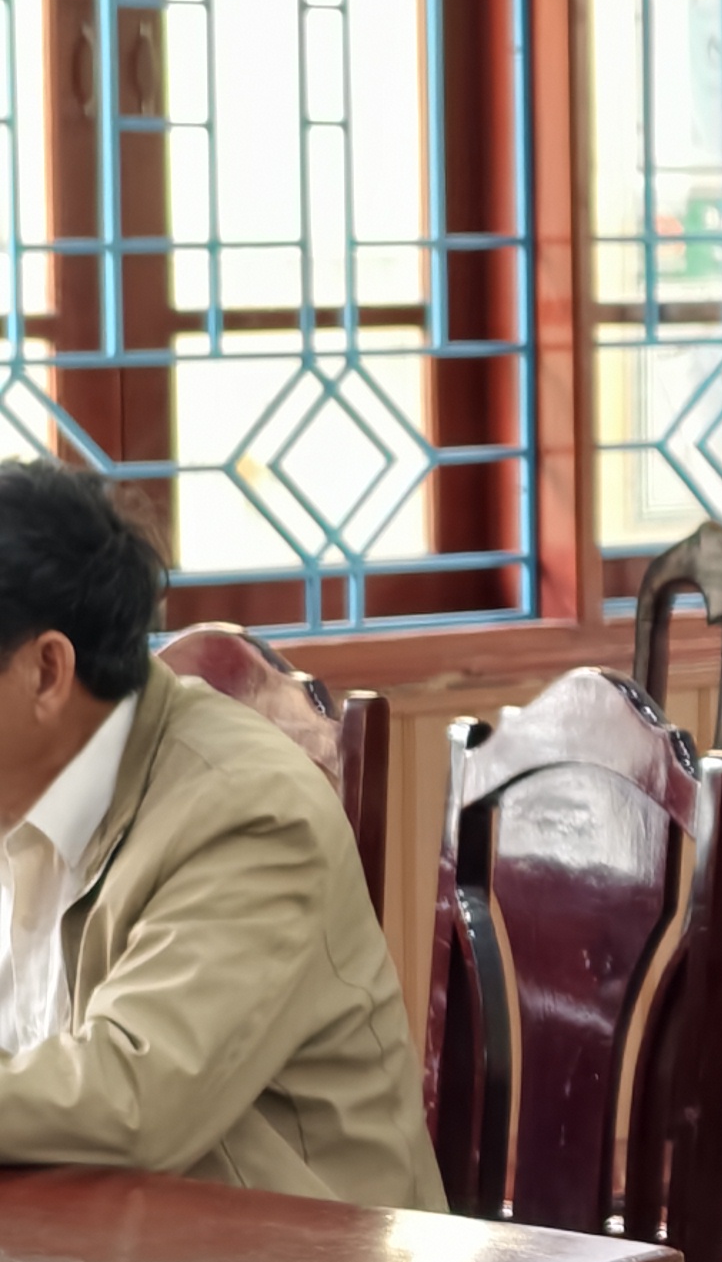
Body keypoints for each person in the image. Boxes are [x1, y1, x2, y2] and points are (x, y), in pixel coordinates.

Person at [0, 460, 442, 1209]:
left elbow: (132, 1098)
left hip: (313, 1260)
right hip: (105, 1239)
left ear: (47, 672)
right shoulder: (25, 775)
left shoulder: (249, 810)